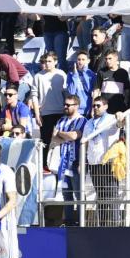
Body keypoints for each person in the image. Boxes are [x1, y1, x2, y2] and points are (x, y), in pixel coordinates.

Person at [82, 96, 120, 226]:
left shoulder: (111, 118)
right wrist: (84, 163)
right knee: (101, 195)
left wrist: (121, 116)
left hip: (108, 162)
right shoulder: (88, 123)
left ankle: (116, 225)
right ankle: (102, 225)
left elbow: (120, 123)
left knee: (112, 194)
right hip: (93, 163)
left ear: (106, 106)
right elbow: (85, 143)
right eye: (94, 106)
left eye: (98, 105)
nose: (96, 108)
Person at [51, 94, 87, 226]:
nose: (65, 107)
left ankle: (81, 220)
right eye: (65, 104)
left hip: (76, 162)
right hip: (62, 163)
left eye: (68, 105)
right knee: (66, 195)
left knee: (79, 193)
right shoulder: (61, 120)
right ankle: (69, 221)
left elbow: (74, 135)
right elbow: (54, 138)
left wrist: (61, 134)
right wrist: (64, 136)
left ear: (76, 106)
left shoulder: (82, 120)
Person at [33, 52, 67, 153]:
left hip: (60, 112)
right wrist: (37, 114)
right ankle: (43, 165)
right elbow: (34, 96)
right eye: (45, 61)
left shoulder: (61, 74)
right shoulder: (38, 76)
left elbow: (66, 93)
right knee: (45, 141)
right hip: (45, 112)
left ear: (55, 62)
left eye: (50, 61)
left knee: (62, 139)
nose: (47, 63)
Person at [67, 50, 96, 116]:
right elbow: (71, 92)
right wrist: (74, 76)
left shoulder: (91, 74)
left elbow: (89, 89)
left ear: (88, 61)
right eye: (79, 59)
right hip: (76, 110)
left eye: (83, 60)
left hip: (87, 109)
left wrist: (84, 72)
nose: (80, 62)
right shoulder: (71, 73)